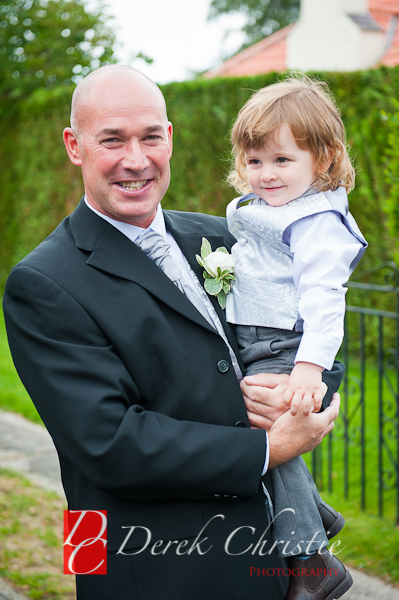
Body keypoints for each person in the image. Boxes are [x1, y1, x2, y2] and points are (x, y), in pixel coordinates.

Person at [3, 65, 342, 600]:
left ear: (170, 138)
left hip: (267, 560)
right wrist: (267, 449)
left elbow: (299, 334)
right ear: (74, 145)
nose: (135, 160)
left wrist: (305, 390)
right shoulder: (42, 282)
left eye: (150, 137)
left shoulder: (223, 235)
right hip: (152, 567)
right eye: (112, 139)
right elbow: (108, 443)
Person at [225, 75, 367, 599]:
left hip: (292, 350)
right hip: (265, 343)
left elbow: (326, 298)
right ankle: (317, 513)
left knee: (266, 438)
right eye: (255, 160)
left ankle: (312, 562)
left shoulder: (317, 221)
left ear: (324, 160)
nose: (265, 174)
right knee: (255, 432)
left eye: (282, 160)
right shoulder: (270, 211)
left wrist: (308, 368)